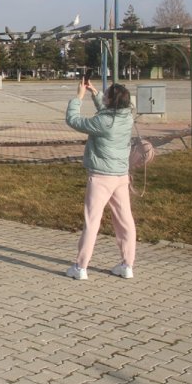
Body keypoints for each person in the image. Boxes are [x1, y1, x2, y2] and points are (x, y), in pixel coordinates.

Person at [64, 80, 136, 280]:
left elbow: (74, 120)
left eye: (106, 94)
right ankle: (127, 264)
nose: (103, 96)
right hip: (121, 176)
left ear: (111, 100)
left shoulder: (102, 122)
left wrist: (78, 97)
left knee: (92, 221)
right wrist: (94, 93)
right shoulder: (127, 117)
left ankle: (80, 267)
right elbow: (107, 113)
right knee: (125, 221)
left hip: (101, 177)